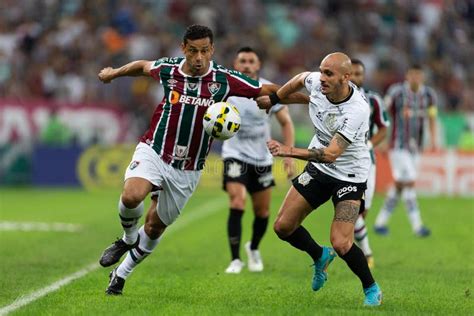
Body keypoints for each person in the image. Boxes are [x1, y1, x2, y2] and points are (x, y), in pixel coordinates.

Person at [97, 25, 309, 295]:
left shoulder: (224, 79)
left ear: (212, 51)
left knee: (154, 226)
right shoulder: (169, 69)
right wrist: (113, 74)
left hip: (188, 169)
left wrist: (311, 100)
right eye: (194, 51)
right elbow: (141, 66)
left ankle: (121, 274)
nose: (199, 58)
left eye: (205, 51)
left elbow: (269, 89)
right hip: (155, 149)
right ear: (183, 48)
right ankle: (127, 239)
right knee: (131, 196)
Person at [256, 52, 382, 306]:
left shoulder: (357, 109)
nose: (321, 77)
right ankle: (319, 255)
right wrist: (274, 99)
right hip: (319, 171)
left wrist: (289, 150)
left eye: (329, 73)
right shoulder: (316, 81)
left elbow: (332, 154)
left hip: (350, 176)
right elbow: (299, 79)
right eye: (321, 70)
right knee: (282, 227)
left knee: (342, 242)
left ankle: (371, 288)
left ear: (346, 78)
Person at [221, 47, 295, 274]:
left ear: (258, 64)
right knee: (237, 201)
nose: (246, 65)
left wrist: (288, 153)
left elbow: (286, 122)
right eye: (242, 60)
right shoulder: (226, 89)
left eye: (250, 61)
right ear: (235, 63)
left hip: (262, 158)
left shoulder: (269, 90)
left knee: (262, 212)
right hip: (234, 153)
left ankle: (253, 248)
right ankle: (235, 260)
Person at [373, 64, 437, 237]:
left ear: (422, 76)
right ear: (407, 76)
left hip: (416, 147)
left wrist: (433, 138)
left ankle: (380, 223)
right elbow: (382, 113)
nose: (415, 78)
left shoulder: (429, 95)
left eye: (418, 75)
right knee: (409, 182)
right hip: (398, 146)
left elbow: (432, 116)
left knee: (400, 185)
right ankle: (418, 226)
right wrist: (382, 138)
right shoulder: (397, 92)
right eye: (412, 74)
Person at [350, 59, 390, 268]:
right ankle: (366, 253)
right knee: (352, 210)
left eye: (359, 74)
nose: (355, 78)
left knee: (362, 212)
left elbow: (383, 128)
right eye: (352, 73)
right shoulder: (335, 98)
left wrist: (368, 144)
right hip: (344, 163)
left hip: (367, 162)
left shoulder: (373, 100)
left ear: (363, 77)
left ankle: (351, 247)